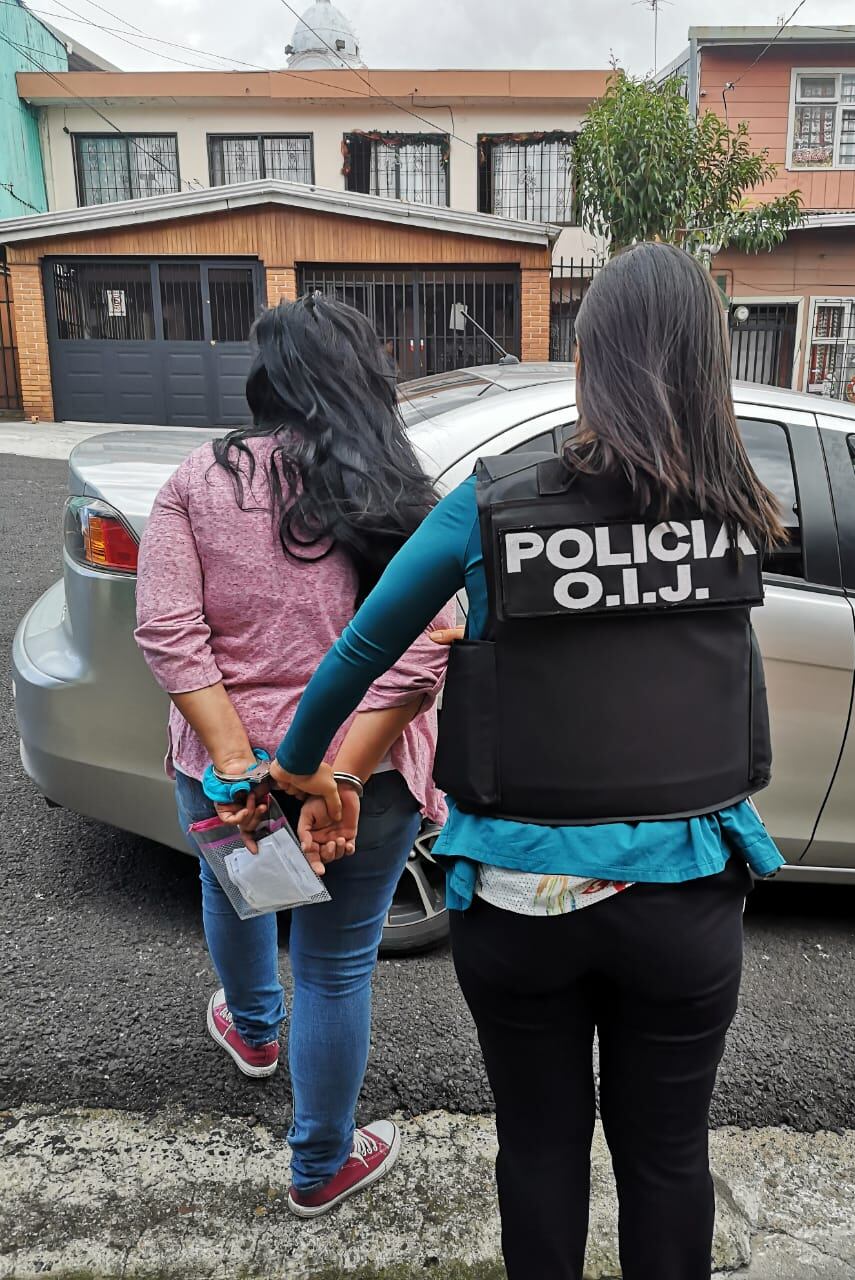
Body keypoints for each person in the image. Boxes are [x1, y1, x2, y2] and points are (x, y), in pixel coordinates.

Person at [266, 243, 787, 1279]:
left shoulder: (494, 506)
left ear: (590, 357)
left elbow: (362, 649)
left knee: (541, 1147)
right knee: (669, 1154)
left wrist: (294, 773)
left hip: (517, 904)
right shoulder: (739, 513)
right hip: (684, 909)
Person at [134, 293, 454, 1219]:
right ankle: (318, 1165)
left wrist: (242, 766)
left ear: (265, 379)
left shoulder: (196, 480)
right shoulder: (400, 491)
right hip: (369, 776)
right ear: (366, 377)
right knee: (336, 965)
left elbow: (167, 629)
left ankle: (257, 1033)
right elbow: (431, 648)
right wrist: (337, 771)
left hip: (227, 770)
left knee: (235, 888)